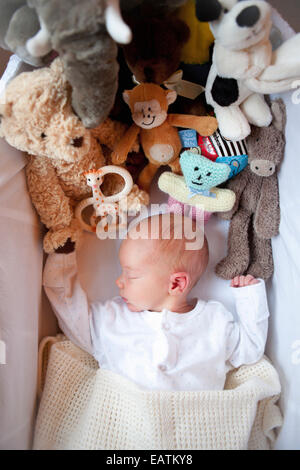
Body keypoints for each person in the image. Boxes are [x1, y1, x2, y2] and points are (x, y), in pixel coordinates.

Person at [43, 213, 269, 391]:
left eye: (130, 275)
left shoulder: (214, 321)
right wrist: (63, 259)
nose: (119, 281)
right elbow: (71, 314)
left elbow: (250, 350)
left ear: (176, 284)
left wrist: (250, 298)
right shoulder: (112, 318)